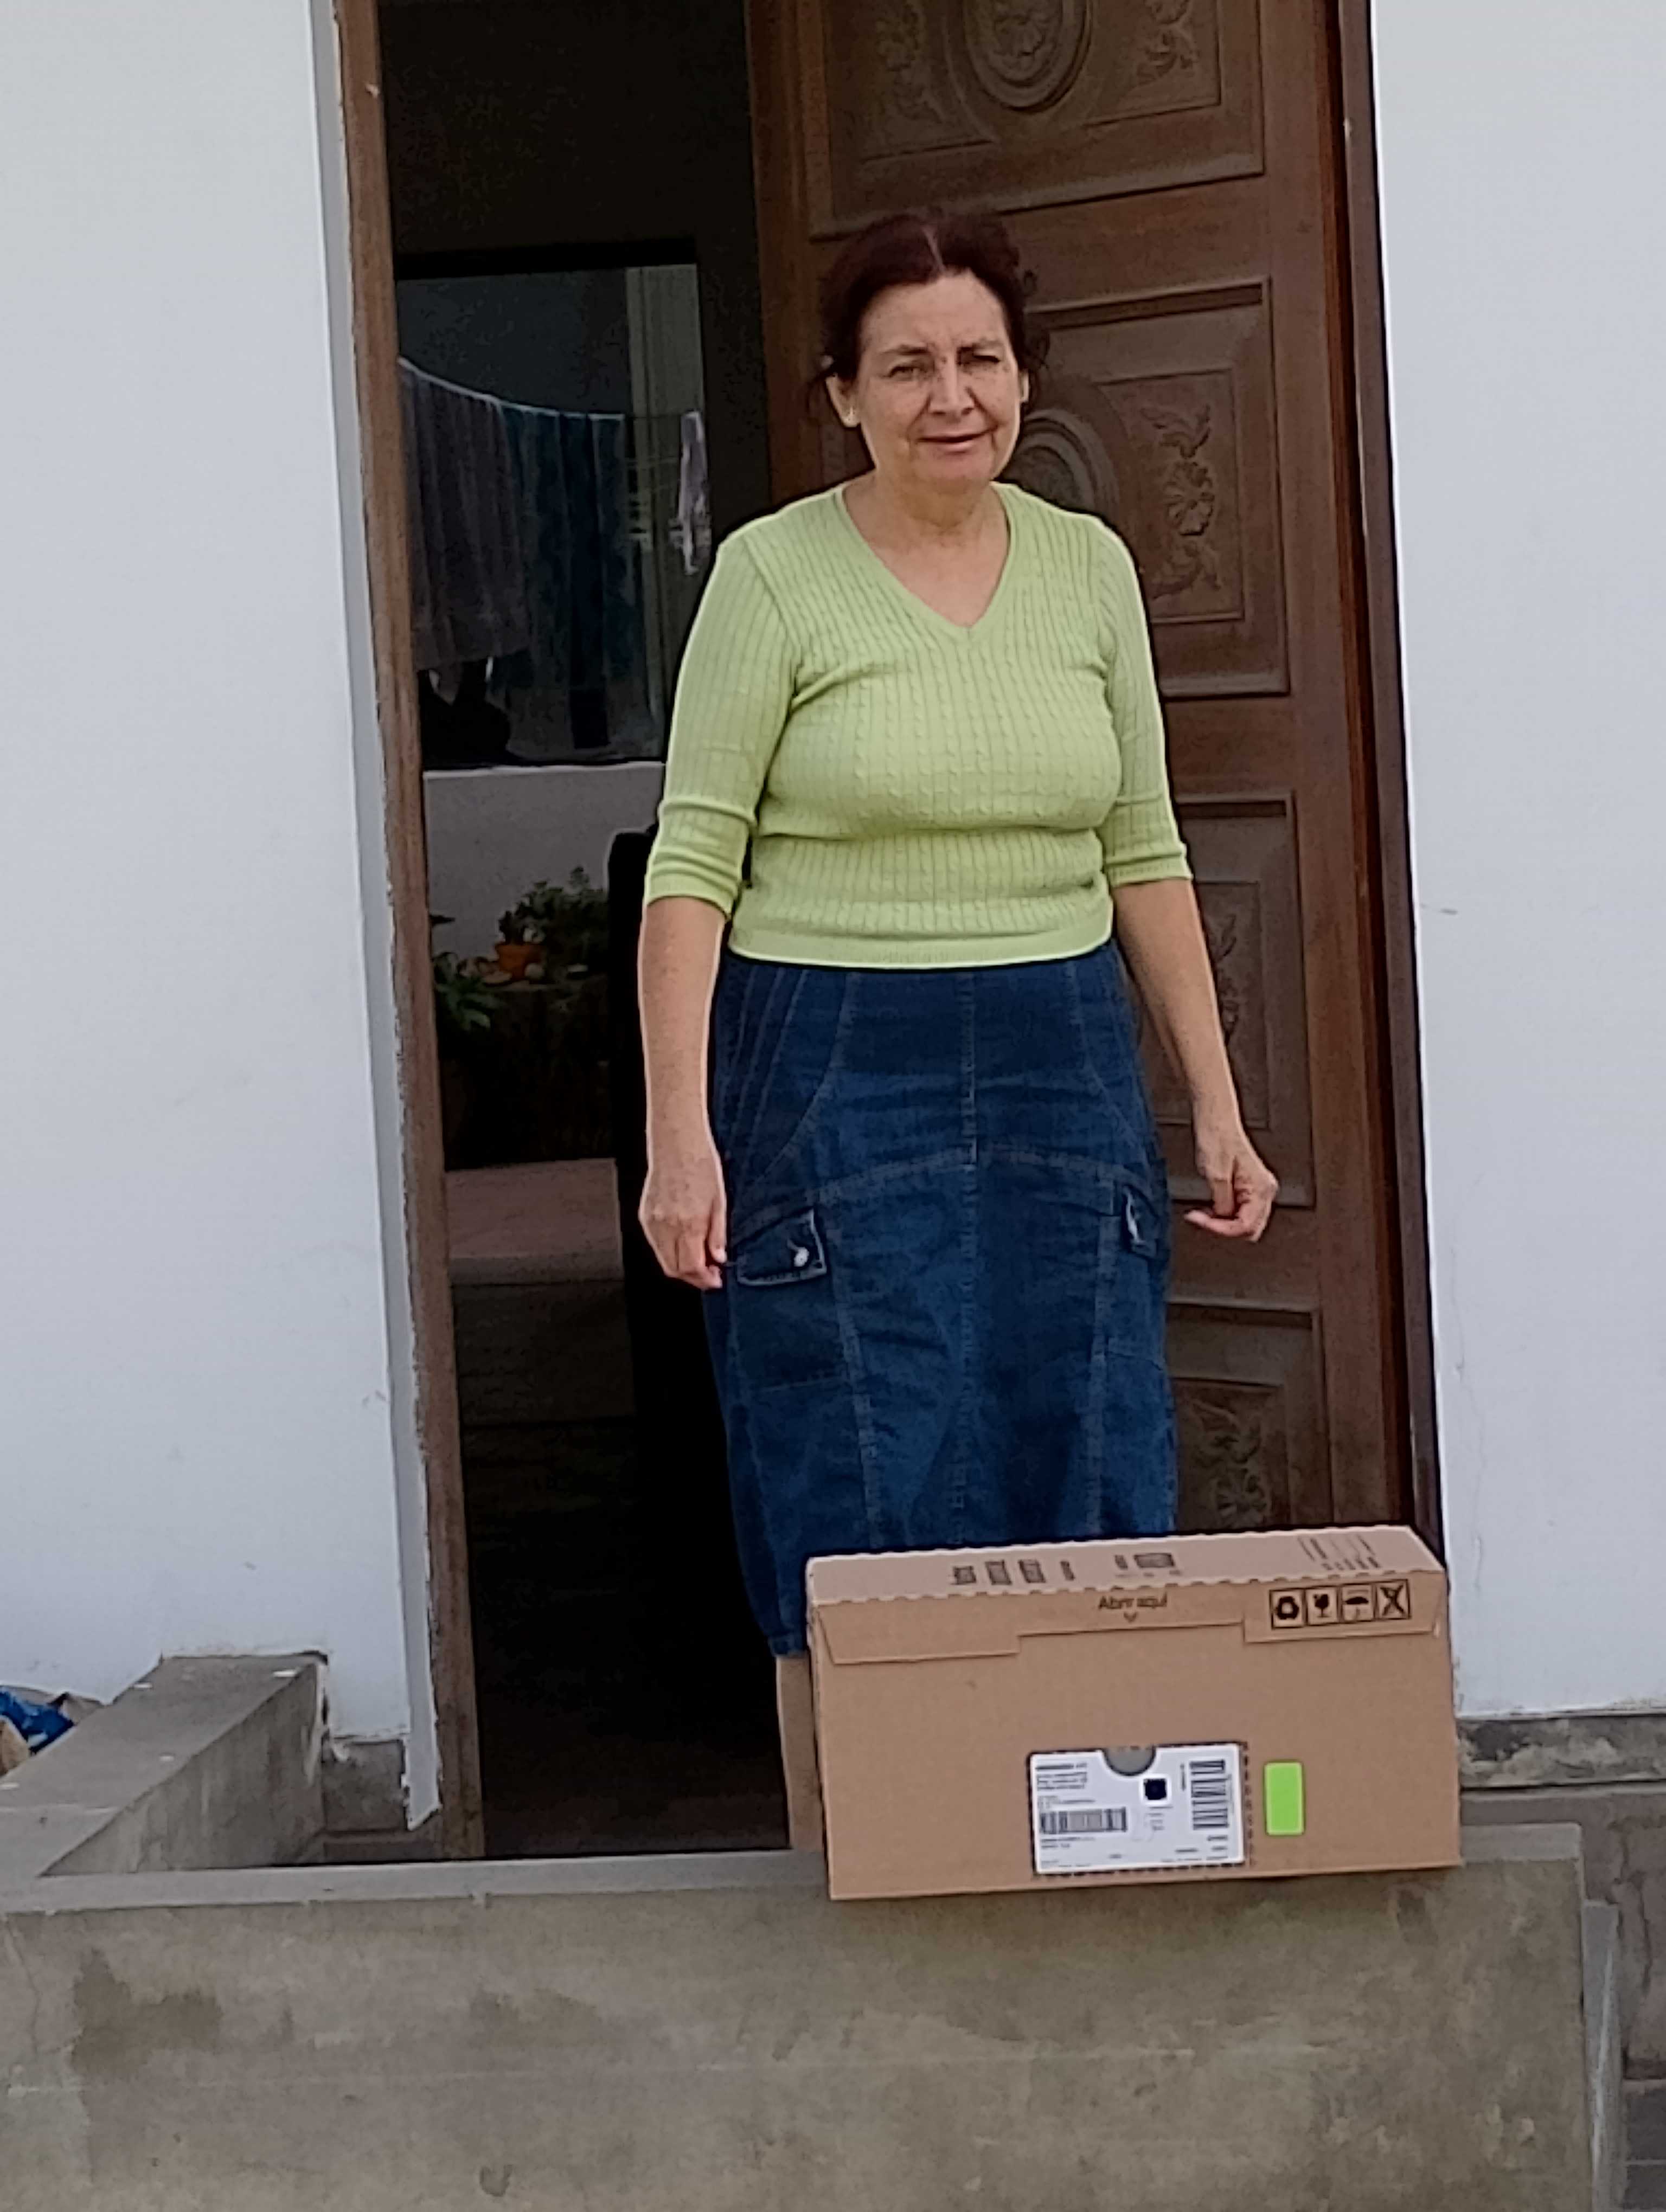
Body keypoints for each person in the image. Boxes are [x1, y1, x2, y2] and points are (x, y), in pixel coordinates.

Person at [636, 208, 1277, 1844]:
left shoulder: (1088, 568)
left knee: (1085, 1422)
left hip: (1063, 1051)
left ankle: (1079, 1838)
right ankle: (873, 1841)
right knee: (858, 1440)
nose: (951, 397)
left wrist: (1212, 1101)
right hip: (828, 1056)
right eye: (907, 364)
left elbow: (1143, 847)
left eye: (979, 358)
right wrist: (679, 1137)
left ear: (1024, 378)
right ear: (843, 392)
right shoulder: (772, 576)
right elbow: (692, 870)